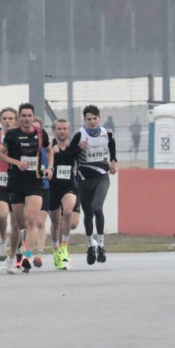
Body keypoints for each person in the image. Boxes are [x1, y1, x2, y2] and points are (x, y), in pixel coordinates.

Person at [67, 104, 117, 264]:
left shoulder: (106, 133)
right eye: (89, 119)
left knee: (97, 208)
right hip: (83, 179)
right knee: (88, 214)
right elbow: (68, 154)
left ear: (99, 118)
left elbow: (112, 146)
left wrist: (113, 161)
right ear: (85, 119)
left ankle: (101, 245)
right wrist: (79, 149)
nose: (92, 122)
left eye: (95, 119)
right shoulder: (79, 135)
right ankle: (90, 245)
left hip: (102, 177)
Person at [2, 103, 49, 272]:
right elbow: (1, 154)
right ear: (19, 118)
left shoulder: (41, 134)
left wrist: (49, 167)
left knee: (31, 221)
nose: (27, 119)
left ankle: (27, 256)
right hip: (16, 182)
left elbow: (49, 151)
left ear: (33, 116)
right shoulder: (12, 135)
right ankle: (20, 250)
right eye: (24, 116)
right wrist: (16, 163)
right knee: (20, 223)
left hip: (34, 182)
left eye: (30, 115)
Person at [46, 117, 81, 269]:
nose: (61, 131)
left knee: (67, 213)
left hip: (69, 187)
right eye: (58, 129)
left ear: (69, 130)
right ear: (54, 131)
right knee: (55, 222)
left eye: (64, 129)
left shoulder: (75, 147)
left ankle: (64, 247)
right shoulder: (49, 147)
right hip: (52, 188)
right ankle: (55, 250)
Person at [0, 107, 19, 269]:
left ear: (16, 120)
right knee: (1, 216)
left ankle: (13, 256)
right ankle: (2, 240)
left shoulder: (22, 137)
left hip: (17, 183)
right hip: (0, 183)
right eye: (4, 118)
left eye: (10, 118)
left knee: (16, 223)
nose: (7, 121)